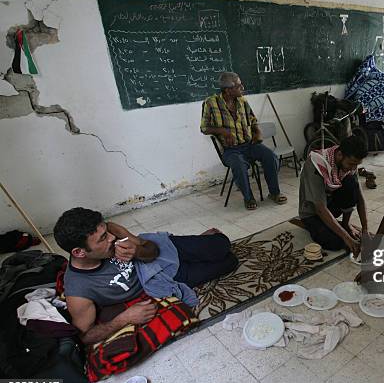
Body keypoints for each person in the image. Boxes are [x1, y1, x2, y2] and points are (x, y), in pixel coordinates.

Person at [54, 207, 238, 345]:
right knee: (230, 262)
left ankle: (206, 239)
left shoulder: (111, 231)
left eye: (106, 232)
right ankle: (202, 241)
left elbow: (152, 249)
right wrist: (124, 319)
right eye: (102, 239)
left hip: (165, 250)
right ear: (79, 252)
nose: (111, 238)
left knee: (221, 245)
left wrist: (137, 251)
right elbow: (85, 335)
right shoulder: (79, 290)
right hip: (161, 279)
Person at [201, 72, 287, 210]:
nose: (243, 87)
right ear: (228, 90)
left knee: (271, 156)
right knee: (239, 165)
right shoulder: (211, 103)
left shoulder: (242, 101)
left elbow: (253, 120)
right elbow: (204, 128)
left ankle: (274, 193)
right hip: (230, 150)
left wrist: (257, 132)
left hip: (249, 145)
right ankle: (249, 198)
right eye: (239, 86)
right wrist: (224, 131)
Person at [299, 136, 369, 256]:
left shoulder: (349, 163)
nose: (353, 168)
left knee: (351, 183)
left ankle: (345, 224)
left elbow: (359, 197)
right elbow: (320, 208)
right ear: (340, 155)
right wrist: (347, 238)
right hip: (312, 212)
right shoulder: (316, 163)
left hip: (330, 206)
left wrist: (365, 229)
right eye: (351, 164)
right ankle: (339, 231)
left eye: (356, 165)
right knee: (335, 242)